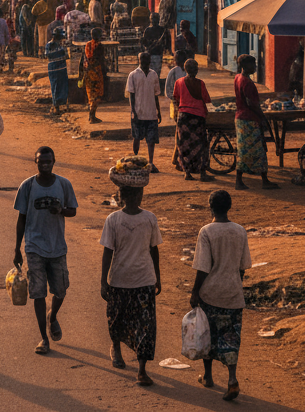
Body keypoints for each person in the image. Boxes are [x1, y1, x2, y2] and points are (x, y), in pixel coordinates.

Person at [13, 146, 78, 355]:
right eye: (41, 162)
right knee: (38, 293)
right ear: (36, 162)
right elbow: (21, 218)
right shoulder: (28, 186)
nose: (45, 165)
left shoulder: (64, 184)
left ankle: (53, 316)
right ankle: (43, 338)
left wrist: (61, 210)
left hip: (57, 246)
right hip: (34, 247)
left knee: (60, 290)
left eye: (49, 162)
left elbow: (73, 211)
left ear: (54, 162)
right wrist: (17, 249)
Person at [191, 190, 251, 401]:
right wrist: (235, 283)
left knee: (208, 335)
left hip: (211, 294)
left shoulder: (207, 231)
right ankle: (232, 379)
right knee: (231, 337)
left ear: (210, 207)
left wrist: (195, 291)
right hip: (233, 294)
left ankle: (208, 376)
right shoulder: (240, 231)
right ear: (229, 207)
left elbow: (203, 267)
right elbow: (243, 266)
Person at [100, 183, 161, 385]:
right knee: (117, 319)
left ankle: (142, 370)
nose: (137, 197)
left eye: (139, 193)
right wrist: (103, 281)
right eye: (133, 194)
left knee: (146, 326)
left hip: (144, 280)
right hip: (119, 280)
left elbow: (154, 250)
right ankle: (116, 347)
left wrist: (157, 277)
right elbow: (108, 250)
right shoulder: (114, 220)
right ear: (124, 196)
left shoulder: (150, 218)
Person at [234, 53, 279, 191]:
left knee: (244, 151)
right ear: (244, 66)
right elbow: (252, 104)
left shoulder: (238, 78)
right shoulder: (247, 82)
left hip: (241, 118)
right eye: (252, 64)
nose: (254, 67)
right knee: (259, 150)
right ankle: (264, 181)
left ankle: (240, 180)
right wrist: (262, 117)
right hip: (249, 119)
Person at [173, 59, 213, 182]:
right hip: (198, 117)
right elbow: (206, 99)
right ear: (196, 70)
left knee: (184, 145)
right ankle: (202, 172)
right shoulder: (200, 83)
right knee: (201, 144)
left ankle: (187, 172)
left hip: (184, 116)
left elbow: (176, 98)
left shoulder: (179, 82)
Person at [126, 53, 162, 172]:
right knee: (136, 137)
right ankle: (136, 160)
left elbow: (156, 94)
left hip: (151, 112)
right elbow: (131, 95)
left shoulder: (153, 75)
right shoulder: (133, 75)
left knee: (151, 140)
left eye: (147, 60)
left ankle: (151, 162)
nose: (145, 62)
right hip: (138, 112)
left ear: (149, 61)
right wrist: (133, 112)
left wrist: (158, 111)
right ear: (139, 60)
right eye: (143, 60)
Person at [83, 28, 107, 124]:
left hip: (88, 72)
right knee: (97, 94)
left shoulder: (88, 45)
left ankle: (91, 115)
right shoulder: (99, 46)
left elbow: (84, 59)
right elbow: (101, 60)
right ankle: (92, 115)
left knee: (91, 94)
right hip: (97, 72)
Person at [45, 26, 70, 115]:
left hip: (55, 68)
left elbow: (47, 55)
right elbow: (67, 55)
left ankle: (58, 105)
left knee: (57, 86)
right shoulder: (59, 45)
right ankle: (57, 105)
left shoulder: (49, 45)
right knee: (59, 86)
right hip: (58, 68)